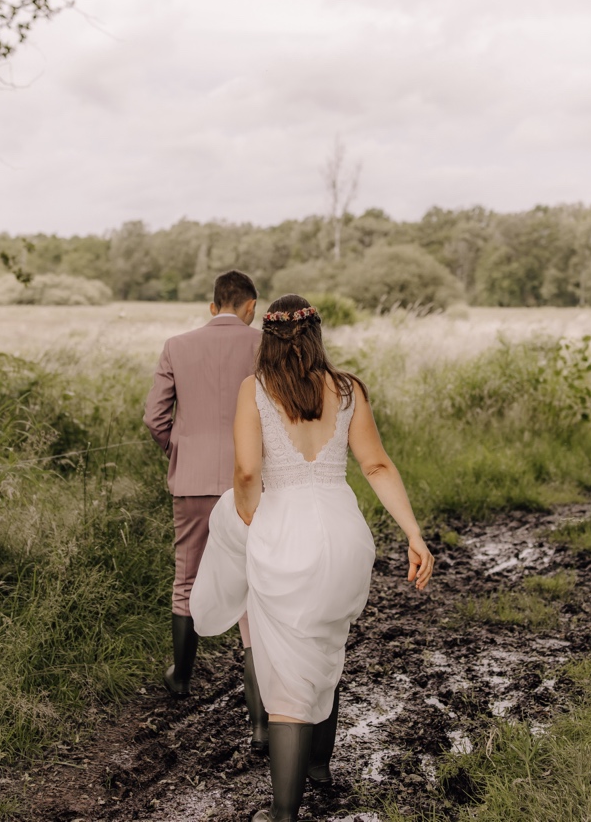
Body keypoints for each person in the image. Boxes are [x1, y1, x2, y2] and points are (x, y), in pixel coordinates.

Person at [190, 294, 434, 822]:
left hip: (285, 533)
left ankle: (283, 814)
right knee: (325, 647)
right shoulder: (347, 390)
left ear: (268, 339)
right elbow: (376, 466)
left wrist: (251, 521)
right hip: (343, 533)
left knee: (286, 675)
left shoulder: (254, 391)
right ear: (316, 334)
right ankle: (319, 769)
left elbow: (248, 474)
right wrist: (413, 533)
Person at [142, 270, 270, 750]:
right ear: (250, 305)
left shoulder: (177, 345)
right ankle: (260, 720)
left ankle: (181, 677)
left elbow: (155, 418)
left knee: (187, 576)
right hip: (250, 480)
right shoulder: (262, 346)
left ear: (213, 305)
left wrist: (180, 451)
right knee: (253, 585)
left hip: (192, 480)